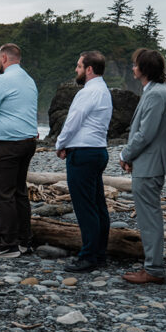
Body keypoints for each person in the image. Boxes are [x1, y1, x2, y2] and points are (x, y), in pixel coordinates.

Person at [0, 43, 39, 258]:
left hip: (9, 144)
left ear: (3, 58)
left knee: (3, 194)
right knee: (19, 191)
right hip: (28, 142)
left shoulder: (1, 81)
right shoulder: (29, 81)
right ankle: (24, 241)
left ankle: (8, 245)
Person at [55, 51, 113, 273]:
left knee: (85, 207)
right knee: (98, 205)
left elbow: (73, 121)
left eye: (79, 66)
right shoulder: (104, 91)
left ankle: (88, 256)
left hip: (84, 153)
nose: (76, 70)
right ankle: (99, 253)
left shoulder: (88, 92)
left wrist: (60, 144)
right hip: (98, 151)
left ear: (89, 69)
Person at [119, 49, 166, 285]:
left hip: (149, 164)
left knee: (149, 218)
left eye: (135, 65)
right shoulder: (157, 91)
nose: (132, 68)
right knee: (149, 216)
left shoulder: (155, 94)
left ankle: (153, 268)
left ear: (144, 69)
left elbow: (145, 134)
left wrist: (126, 154)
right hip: (149, 163)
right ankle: (153, 265)